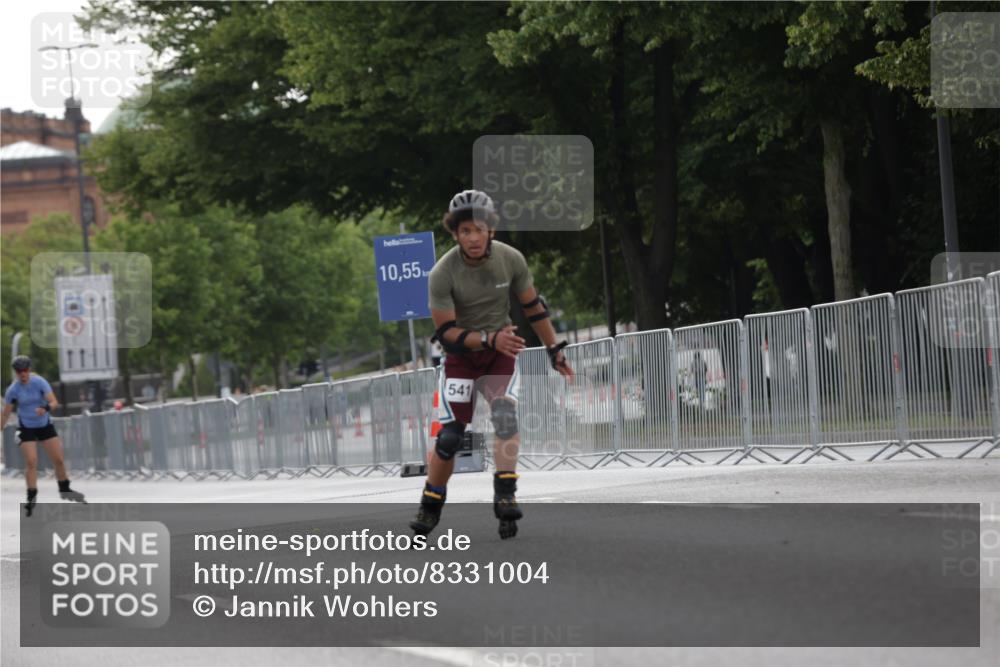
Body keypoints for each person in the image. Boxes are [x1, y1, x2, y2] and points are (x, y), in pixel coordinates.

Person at [409, 189, 574, 540]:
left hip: (500, 354)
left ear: (491, 231)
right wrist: (487, 338)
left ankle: (505, 494)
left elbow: (533, 308)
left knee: (504, 417)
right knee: (450, 438)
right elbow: (446, 333)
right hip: (461, 358)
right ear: (455, 234)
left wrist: (554, 349)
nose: (472, 237)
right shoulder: (441, 273)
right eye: (464, 231)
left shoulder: (511, 259)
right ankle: (430, 503)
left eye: (478, 230)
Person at [2, 356, 86, 516]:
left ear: (29, 370)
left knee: (59, 460)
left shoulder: (39, 382)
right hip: (26, 427)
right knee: (32, 461)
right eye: (19, 371)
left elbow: (54, 402)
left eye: (25, 370)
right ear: (16, 373)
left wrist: (45, 408)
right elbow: (5, 414)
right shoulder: (13, 390)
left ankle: (64, 489)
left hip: (44, 424)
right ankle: (31, 496)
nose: (23, 374)